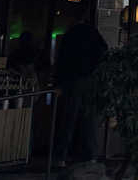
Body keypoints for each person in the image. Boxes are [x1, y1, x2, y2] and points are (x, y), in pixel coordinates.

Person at [52, 20, 108, 168]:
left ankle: (61, 156)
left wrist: (58, 83)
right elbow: (104, 53)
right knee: (89, 119)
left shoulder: (70, 35)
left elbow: (62, 60)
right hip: (91, 80)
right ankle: (90, 155)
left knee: (68, 120)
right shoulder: (94, 36)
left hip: (73, 80)